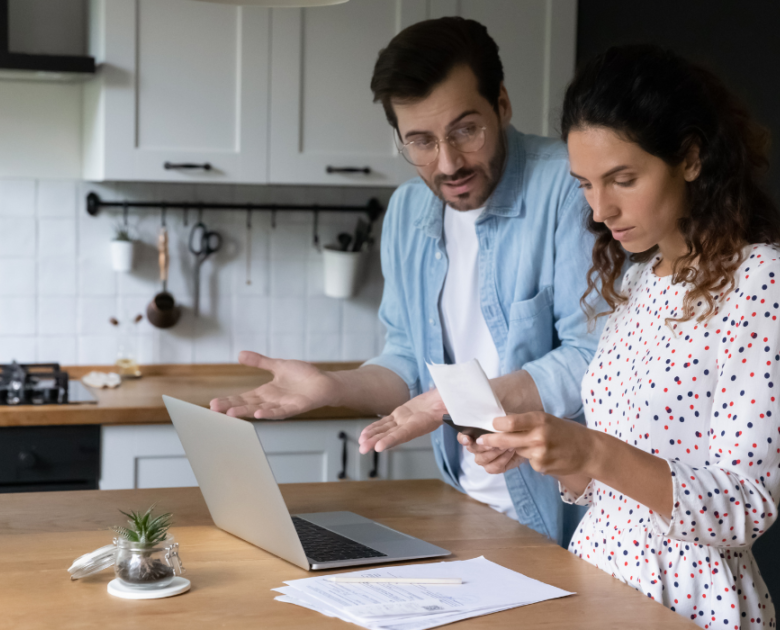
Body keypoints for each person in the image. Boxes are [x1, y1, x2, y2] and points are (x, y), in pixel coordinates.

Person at [471, 45, 780, 628]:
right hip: (599, 582)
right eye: (586, 185)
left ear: (690, 158)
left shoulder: (763, 281)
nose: (601, 210)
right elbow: (618, 492)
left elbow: (745, 505)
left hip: (691, 600)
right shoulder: (641, 279)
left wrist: (591, 449)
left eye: (623, 179)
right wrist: (546, 451)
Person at [210, 17, 602, 545]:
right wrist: (333, 388)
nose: (448, 163)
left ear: (502, 105)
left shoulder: (568, 186)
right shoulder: (407, 210)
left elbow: (592, 356)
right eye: (420, 141)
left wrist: (458, 400)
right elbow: (407, 362)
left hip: (572, 511)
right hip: (467, 501)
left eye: (467, 130)